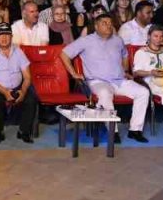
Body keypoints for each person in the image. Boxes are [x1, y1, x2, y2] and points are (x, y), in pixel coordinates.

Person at [61, 13, 149, 144]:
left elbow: (125, 55)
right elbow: (64, 54)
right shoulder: (86, 40)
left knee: (143, 92)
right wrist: (74, 73)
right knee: (104, 93)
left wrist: (125, 70)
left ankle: (135, 130)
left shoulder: (117, 40)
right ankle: (113, 131)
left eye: (110, 23)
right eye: (104, 23)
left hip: (119, 80)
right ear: (96, 26)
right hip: (97, 81)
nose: (108, 26)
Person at [0, 23, 37, 144]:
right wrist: (5, 92)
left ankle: (24, 131)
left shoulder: (18, 51)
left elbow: (27, 77)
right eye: (1, 35)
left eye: (7, 34)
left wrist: (23, 91)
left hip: (17, 86)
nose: (4, 38)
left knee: (31, 99)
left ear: (11, 36)